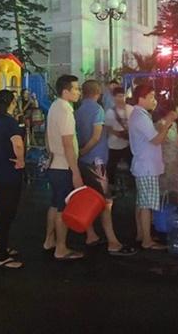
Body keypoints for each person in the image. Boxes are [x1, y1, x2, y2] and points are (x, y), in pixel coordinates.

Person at [75, 80, 137, 256]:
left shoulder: (78, 111)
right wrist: (84, 151)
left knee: (87, 198)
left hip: (84, 162)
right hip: (96, 161)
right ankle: (112, 242)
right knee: (105, 201)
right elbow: (96, 137)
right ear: (98, 92)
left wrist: (80, 153)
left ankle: (91, 234)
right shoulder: (98, 110)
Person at [129, 84, 177, 250]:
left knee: (142, 202)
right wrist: (168, 123)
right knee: (147, 205)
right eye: (151, 97)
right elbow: (156, 140)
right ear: (141, 98)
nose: (154, 100)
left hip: (144, 165)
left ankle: (141, 234)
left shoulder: (140, 115)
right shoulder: (140, 117)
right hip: (147, 166)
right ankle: (147, 240)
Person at [43, 75, 84, 261]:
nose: (78, 92)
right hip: (63, 167)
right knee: (62, 209)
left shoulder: (54, 106)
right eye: (75, 89)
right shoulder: (66, 110)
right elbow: (68, 144)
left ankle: (49, 240)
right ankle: (61, 248)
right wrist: (75, 172)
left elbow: (47, 136)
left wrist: (51, 154)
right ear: (66, 91)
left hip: (54, 164)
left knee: (54, 204)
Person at [0, 90, 26, 269]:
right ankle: (1, 255)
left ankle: (1, 246)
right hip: (10, 171)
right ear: (12, 102)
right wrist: (21, 160)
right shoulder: (10, 122)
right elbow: (17, 143)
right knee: (7, 212)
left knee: (1, 210)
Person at [105, 87, 134, 187]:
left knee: (132, 164)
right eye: (118, 96)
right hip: (114, 145)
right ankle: (111, 186)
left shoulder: (131, 109)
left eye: (122, 96)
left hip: (128, 144)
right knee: (111, 167)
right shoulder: (110, 112)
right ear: (114, 97)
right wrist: (119, 134)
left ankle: (133, 185)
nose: (121, 99)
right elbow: (108, 128)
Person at [155, 101, 178, 200]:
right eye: (177, 111)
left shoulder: (174, 125)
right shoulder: (160, 124)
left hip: (174, 161)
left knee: (176, 187)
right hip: (164, 161)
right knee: (163, 188)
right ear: (171, 112)